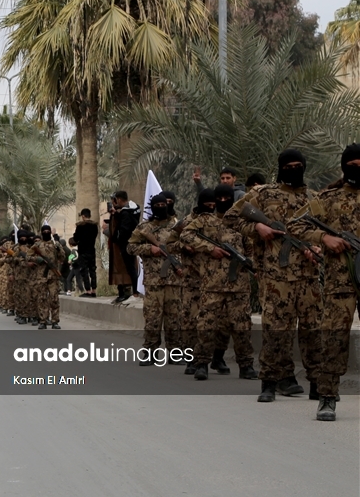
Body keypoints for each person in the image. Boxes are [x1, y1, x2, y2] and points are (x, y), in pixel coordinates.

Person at [224, 148, 321, 403]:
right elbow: (231, 218)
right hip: (275, 277)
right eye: (288, 165)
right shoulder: (262, 194)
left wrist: (318, 247)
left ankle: (317, 383)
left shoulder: (314, 198)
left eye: (298, 165)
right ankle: (270, 381)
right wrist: (258, 227)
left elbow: (326, 232)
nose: (294, 169)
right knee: (276, 331)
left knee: (313, 331)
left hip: (309, 277)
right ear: (280, 168)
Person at [287, 143, 360, 421]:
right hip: (340, 283)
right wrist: (325, 238)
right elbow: (295, 224)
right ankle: (327, 398)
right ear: (344, 167)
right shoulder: (329, 199)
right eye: (352, 164)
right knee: (333, 340)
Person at [183, 184, 257, 381]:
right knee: (206, 325)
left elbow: (250, 250)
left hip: (239, 285)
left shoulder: (240, 222)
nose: (223, 202)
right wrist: (209, 248)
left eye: (227, 198)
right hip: (212, 285)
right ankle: (201, 363)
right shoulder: (205, 220)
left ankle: (246, 365)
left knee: (242, 327)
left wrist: (253, 266)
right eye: (220, 198)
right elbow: (186, 235)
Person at [128, 194, 185, 359]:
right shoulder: (144, 228)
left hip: (174, 280)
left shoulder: (176, 226)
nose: (161, 207)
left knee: (174, 318)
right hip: (153, 282)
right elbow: (130, 248)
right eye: (157, 204)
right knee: (153, 317)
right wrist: (148, 249)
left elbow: (188, 244)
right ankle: (150, 351)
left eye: (163, 204)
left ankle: (175, 352)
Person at [103, 191, 139, 303]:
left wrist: (117, 238)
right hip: (127, 243)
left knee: (129, 268)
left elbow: (124, 228)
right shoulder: (131, 210)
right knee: (129, 268)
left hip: (125, 244)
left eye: (114, 200)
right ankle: (128, 292)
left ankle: (133, 293)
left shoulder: (126, 212)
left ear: (118, 199)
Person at [30, 225, 67, 329]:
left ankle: (55, 321)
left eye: (48, 231)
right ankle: (43, 321)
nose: (46, 232)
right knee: (42, 299)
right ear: (42, 232)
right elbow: (28, 256)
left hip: (53, 276)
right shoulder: (37, 245)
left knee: (54, 298)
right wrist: (37, 259)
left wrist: (59, 249)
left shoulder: (56, 244)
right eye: (44, 231)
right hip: (41, 276)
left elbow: (62, 257)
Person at [72, 209, 98, 297]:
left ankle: (88, 290)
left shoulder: (80, 226)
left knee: (84, 271)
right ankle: (94, 290)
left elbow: (75, 238)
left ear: (83, 216)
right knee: (93, 270)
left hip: (83, 251)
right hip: (92, 250)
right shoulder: (94, 226)